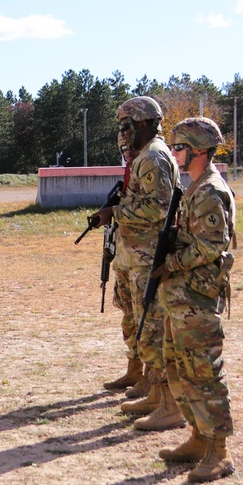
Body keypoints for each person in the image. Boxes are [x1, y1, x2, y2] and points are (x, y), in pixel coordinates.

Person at [90, 96, 184, 431]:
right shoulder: (142, 156)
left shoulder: (156, 157)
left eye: (127, 126)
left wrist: (114, 212)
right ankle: (143, 380)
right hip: (133, 252)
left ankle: (163, 398)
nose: (123, 133)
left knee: (152, 326)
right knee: (135, 319)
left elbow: (158, 208)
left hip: (148, 255)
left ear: (144, 123)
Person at [155, 117, 236, 483]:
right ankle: (199, 437)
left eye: (179, 148)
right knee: (180, 368)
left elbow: (212, 245)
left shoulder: (209, 192)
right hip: (182, 298)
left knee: (203, 373)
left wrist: (171, 262)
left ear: (198, 151)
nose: (174, 154)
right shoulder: (195, 187)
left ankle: (218, 451)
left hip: (198, 298)